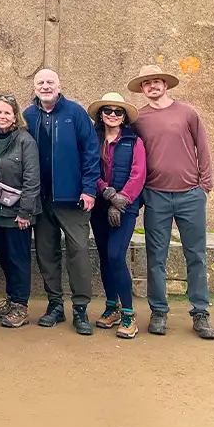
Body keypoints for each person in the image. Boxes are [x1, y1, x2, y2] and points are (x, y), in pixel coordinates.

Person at [128, 65, 214, 340]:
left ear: (165, 85)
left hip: (190, 194)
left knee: (196, 255)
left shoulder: (187, 113)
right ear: (142, 89)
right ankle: (158, 310)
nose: (152, 86)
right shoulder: (138, 119)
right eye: (147, 84)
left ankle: (200, 312)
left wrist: (205, 186)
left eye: (157, 82)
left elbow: (202, 147)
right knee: (156, 256)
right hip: (156, 195)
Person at [22, 68, 101, 335]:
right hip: (40, 200)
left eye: (50, 82)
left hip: (72, 200)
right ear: (34, 87)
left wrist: (89, 189)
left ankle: (80, 308)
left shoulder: (75, 113)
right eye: (40, 82)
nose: (45, 86)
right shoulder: (28, 116)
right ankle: (55, 305)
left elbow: (91, 152)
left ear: (59, 85)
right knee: (47, 254)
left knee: (78, 252)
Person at [87, 92, 146, 339]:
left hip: (126, 208)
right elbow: (90, 168)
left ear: (124, 117)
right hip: (100, 206)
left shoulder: (134, 142)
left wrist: (121, 200)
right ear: (101, 114)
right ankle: (112, 306)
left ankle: (129, 314)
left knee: (116, 256)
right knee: (104, 257)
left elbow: (138, 174)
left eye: (118, 112)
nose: (112, 115)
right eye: (108, 110)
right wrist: (108, 194)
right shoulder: (94, 140)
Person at [0, 96, 41, 328]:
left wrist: (25, 212)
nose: (2, 117)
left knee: (18, 259)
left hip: (18, 213)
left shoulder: (25, 141)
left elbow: (32, 178)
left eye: (7, 113)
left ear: (15, 115)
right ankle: (11, 298)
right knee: (4, 256)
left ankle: (21, 305)